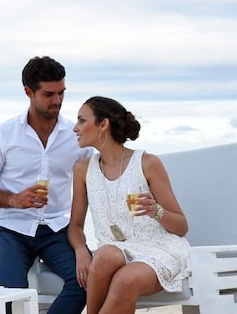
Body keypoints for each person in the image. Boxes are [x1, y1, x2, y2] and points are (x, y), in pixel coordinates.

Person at [0, 56, 91, 314]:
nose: (57, 100)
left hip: (57, 228)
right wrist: (14, 199)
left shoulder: (76, 136)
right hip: (10, 228)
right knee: (12, 296)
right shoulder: (3, 134)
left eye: (61, 93)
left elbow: (100, 177)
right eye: (49, 94)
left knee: (85, 282)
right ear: (29, 92)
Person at [67, 96, 191, 314]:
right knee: (105, 255)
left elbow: (181, 227)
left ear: (103, 124)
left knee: (124, 281)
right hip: (114, 250)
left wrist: (156, 211)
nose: (75, 128)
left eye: (82, 121)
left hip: (157, 249)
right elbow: (75, 226)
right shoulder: (83, 169)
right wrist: (81, 252)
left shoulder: (147, 163)